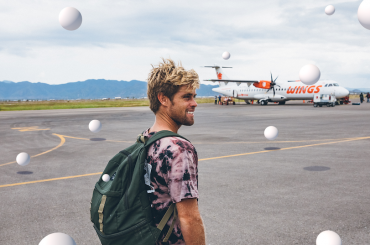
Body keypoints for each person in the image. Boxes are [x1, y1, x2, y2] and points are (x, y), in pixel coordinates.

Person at [145, 58, 206, 245]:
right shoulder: (178, 149)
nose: (194, 103)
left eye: (194, 96)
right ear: (163, 99)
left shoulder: (147, 139)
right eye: (186, 97)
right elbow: (189, 218)